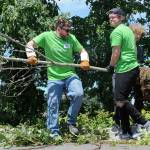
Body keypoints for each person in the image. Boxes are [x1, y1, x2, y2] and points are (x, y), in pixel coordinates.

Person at [25, 18, 90, 140]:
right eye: (66, 30)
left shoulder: (71, 38)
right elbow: (30, 44)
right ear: (58, 28)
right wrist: (31, 55)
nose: (68, 32)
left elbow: (82, 50)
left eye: (70, 30)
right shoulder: (46, 36)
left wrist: (84, 59)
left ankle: (71, 122)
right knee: (53, 103)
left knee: (78, 93)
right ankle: (53, 132)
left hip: (70, 73)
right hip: (54, 76)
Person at [107, 8, 150, 139]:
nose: (111, 19)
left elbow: (116, 53)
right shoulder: (127, 30)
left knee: (119, 99)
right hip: (131, 69)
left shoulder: (116, 32)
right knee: (121, 101)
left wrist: (111, 65)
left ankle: (144, 122)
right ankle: (126, 132)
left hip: (125, 69)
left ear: (121, 18)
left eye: (113, 17)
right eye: (110, 18)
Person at [112, 24, 145, 129]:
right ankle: (123, 127)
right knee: (120, 100)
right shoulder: (122, 44)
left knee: (121, 99)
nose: (138, 38)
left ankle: (141, 122)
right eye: (137, 35)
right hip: (120, 72)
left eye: (140, 36)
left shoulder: (138, 49)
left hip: (129, 74)